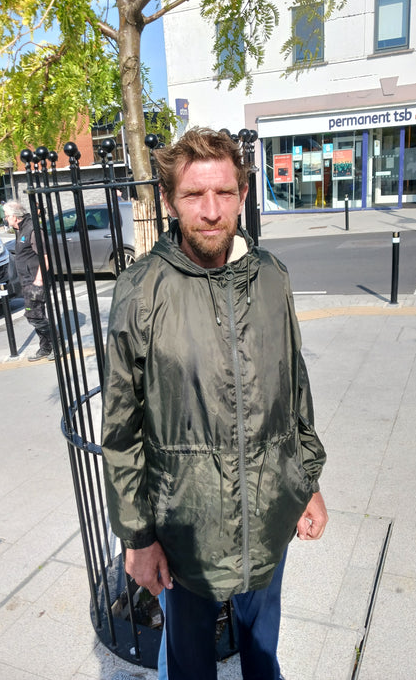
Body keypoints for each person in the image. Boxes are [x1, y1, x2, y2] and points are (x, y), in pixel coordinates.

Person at [101, 128, 328, 680]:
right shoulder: (142, 289)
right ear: (170, 201)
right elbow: (121, 426)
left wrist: (309, 483)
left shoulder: (273, 277)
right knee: (189, 664)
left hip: (269, 509)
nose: (210, 211)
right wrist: (138, 537)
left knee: (262, 654)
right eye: (193, 196)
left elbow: (293, 386)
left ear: (243, 195)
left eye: (224, 194)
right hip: (186, 530)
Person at [3, 200, 54, 362]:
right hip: (27, 281)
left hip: (35, 282)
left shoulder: (32, 230)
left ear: (15, 217)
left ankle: (56, 344)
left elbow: (45, 258)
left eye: (7, 216)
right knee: (37, 314)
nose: (5, 219)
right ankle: (46, 347)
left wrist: (38, 282)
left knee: (34, 315)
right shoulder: (20, 229)